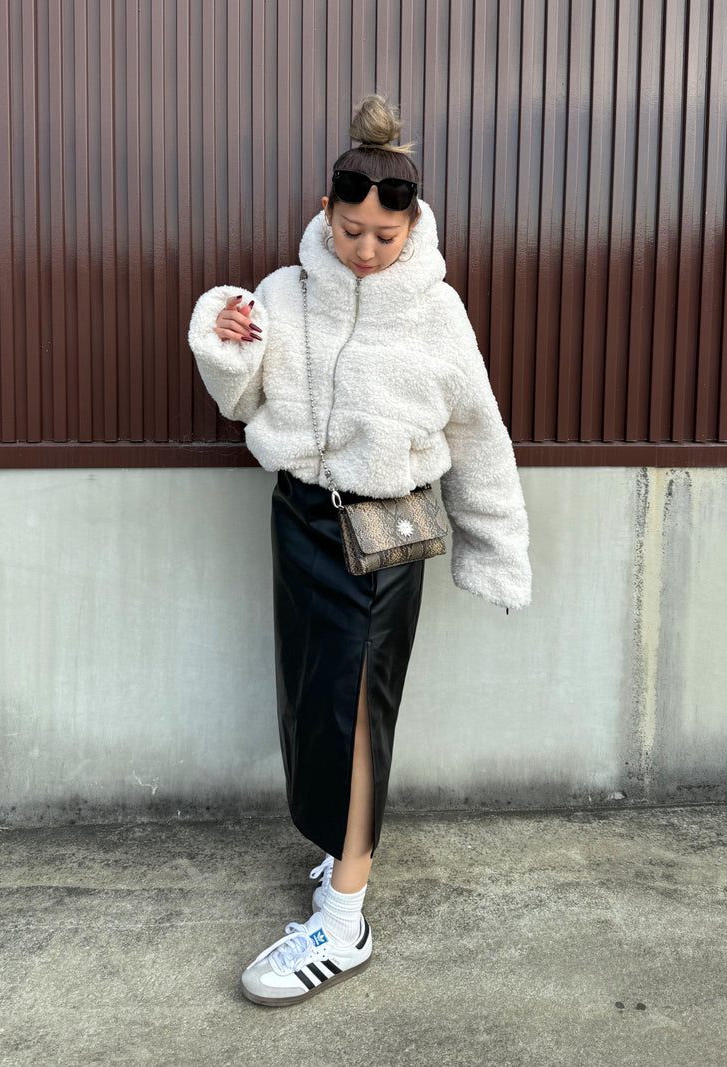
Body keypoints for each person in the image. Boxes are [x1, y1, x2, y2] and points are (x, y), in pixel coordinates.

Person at [188, 95, 531, 1007]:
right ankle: (341, 852)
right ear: (326, 212)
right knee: (310, 702)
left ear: (413, 225)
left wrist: (495, 546)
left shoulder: (436, 313)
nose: (366, 250)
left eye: (385, 235)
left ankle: (345, 922)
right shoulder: (285, 293)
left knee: (356, 714)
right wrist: (227, 342)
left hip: (382, 537)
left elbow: (478, 431)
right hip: (299, 519)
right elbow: (240, 399)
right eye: (350, 231)